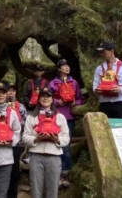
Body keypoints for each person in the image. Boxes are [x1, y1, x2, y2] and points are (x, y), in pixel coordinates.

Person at [22, 87, 70, 198]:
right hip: (36, 156)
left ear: (52, 99)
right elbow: (25, 137)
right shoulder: (32, 117)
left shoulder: (60, 117)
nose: (45, 99)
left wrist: (57, 140)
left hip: (54, 156)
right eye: (43, 96)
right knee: (36, 190)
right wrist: (36, 139)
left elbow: (66, 138)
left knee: (53, 190)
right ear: (38, 99)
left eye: (48, 96)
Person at [48, 59, 84, 188]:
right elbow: (46, 99)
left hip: (69, 116)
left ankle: (65, 173)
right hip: (56, 116)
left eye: (67, 65)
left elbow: (80, 98)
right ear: (58, 69)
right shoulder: (53, 83)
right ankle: (55, 173)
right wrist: (58, 103)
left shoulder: (73, 82)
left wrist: (76, 103)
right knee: (54, 142)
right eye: (63, 66)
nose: (67, 67)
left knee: (66, 144)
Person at [93, 41, 122, 119]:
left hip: (120, 103)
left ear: (112, 51)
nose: (101, 54)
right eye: (100, 52)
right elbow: (95, 85)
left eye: (103, 51)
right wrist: (97, 90)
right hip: (104, 104)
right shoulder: (99, 68)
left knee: (121, 129)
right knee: (105, 130)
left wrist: (120, 89)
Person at [5, 83, 27, 198]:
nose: (11, 93)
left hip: (16, 142)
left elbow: (26, 122)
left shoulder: (21, 106)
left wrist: (15, 117)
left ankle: (12, 194)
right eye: (8, 91)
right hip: (1, 143)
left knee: (14, 170)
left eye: (13, 91)